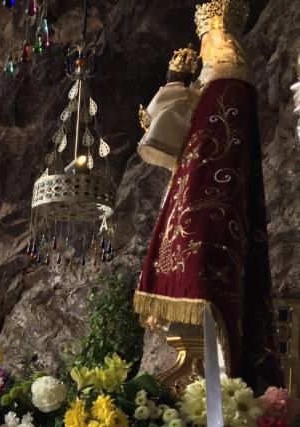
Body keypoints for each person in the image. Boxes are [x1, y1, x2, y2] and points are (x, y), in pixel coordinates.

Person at [134, 0, 283, 390]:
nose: (201, 49)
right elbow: (176, 142)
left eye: (206, 40)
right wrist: (175, 81)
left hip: (209, 221)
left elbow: (205, 157)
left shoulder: (229, 84)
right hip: (200, 209)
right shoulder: (213, 85)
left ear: (217, 36)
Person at [137, 46, 201, 171]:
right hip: (190, 132)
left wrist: (146, 116)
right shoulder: (193, 92)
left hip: (169, 133)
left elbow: (150, 115)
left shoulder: (170, 90)